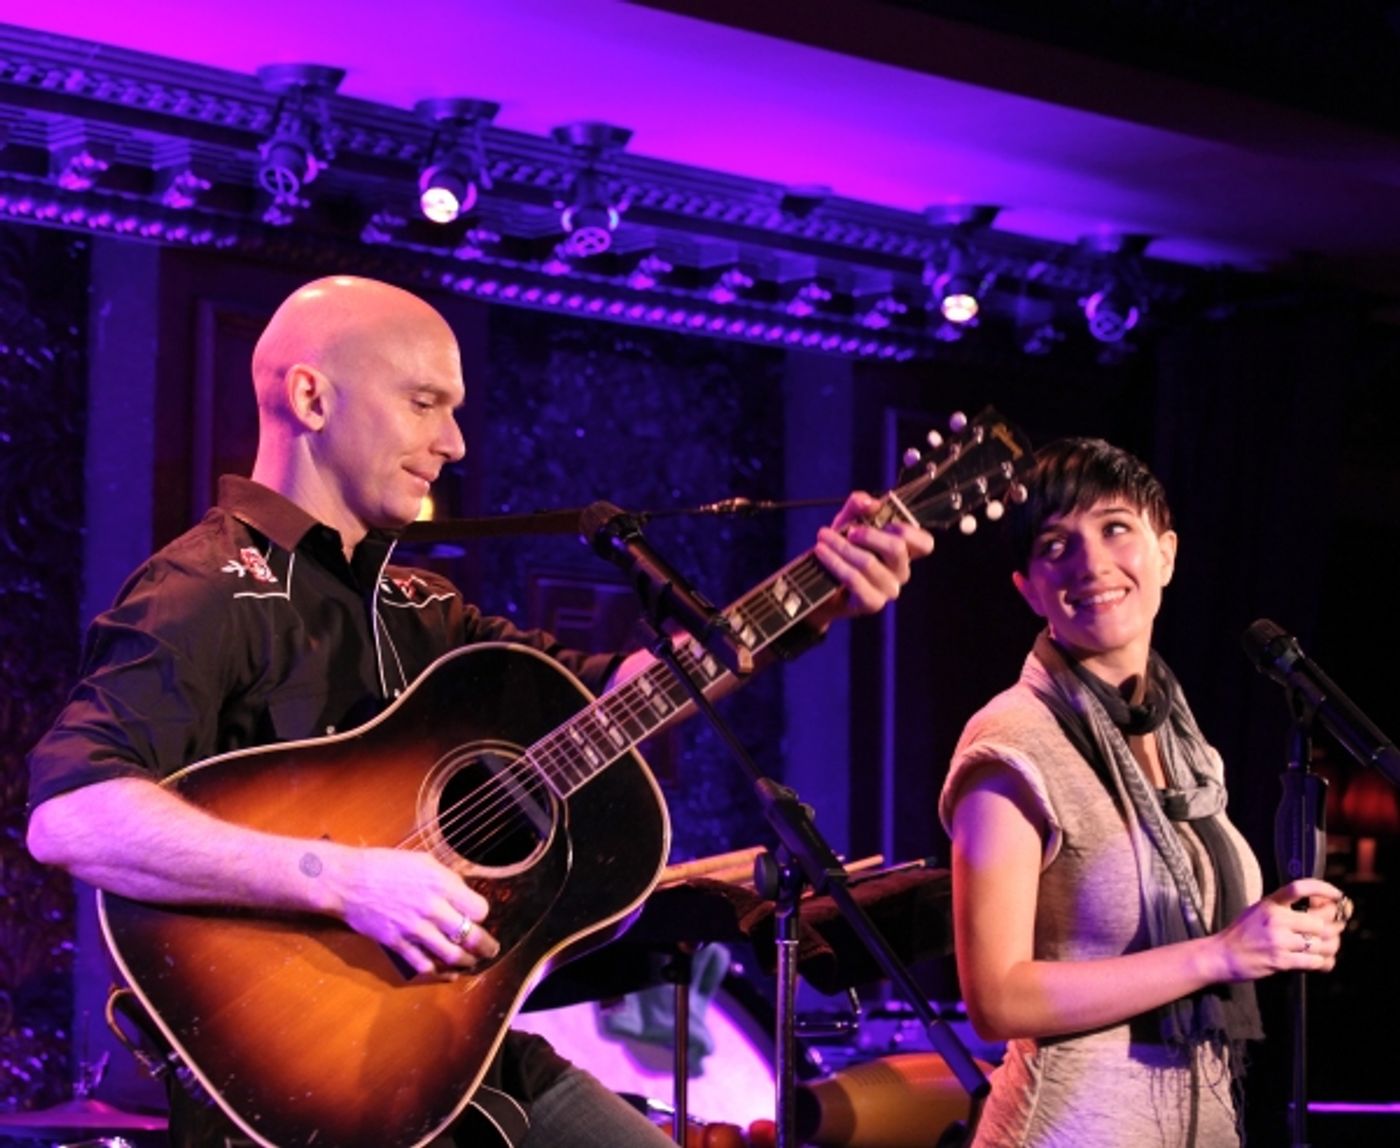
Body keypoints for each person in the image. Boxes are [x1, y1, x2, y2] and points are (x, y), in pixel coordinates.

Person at [25, 275, 935, 1148]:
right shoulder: (204, 588)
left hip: (453, 1040)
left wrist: (812, 601)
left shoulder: (423, 603)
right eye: (426, 403)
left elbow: (625, 694)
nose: (456, 442)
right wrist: (349, 880)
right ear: (311, 398)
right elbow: (73, 815)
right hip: (296, 1064)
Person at [938, 437, 1349, 1147]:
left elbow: (1209, 932)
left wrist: (1283, 929)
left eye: (1115, 528)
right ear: (1028, 588)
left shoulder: (1187, 747)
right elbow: (996, 999)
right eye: (1056, 544)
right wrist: (1219, 954)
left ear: (1166, 553)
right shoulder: (1012, 742)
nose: (1091, 561)